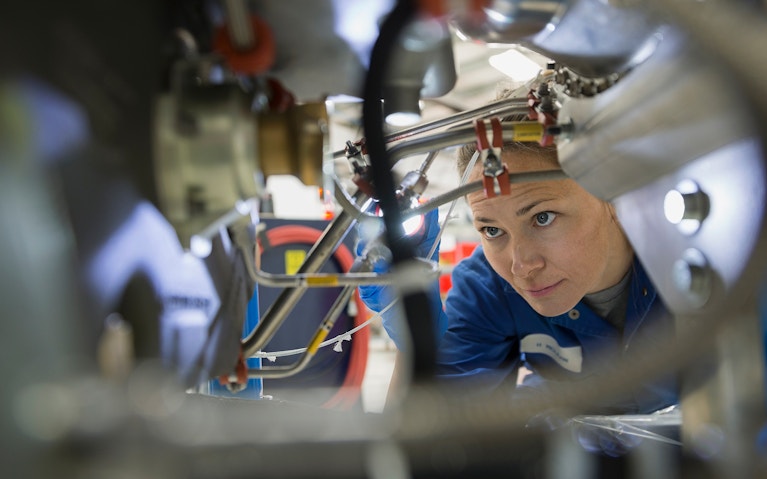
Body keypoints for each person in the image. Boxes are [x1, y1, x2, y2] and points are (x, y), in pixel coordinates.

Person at [358, 106, 678, 416]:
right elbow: (432, 426)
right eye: (492, 230)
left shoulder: (683, 257)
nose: (521, 265)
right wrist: (415, 338)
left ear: (611, 193)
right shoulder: (489, 285)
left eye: (543, 217)